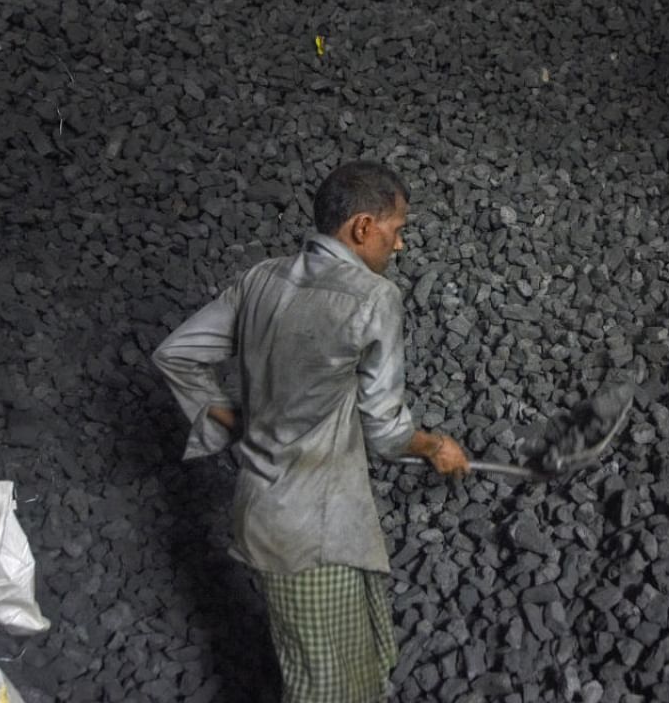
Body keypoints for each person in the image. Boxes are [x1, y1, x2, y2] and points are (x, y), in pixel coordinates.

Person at [152, 160, 470, 702]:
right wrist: (435, 445)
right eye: (397, 232)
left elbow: (174, 353)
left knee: (340, 667)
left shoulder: (261, 278)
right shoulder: (373, 298)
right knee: (323, 688)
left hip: (265, 516)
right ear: (363, 227)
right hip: (314, 535)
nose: (398, 248)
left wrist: (239, 419)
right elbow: (388, 431)